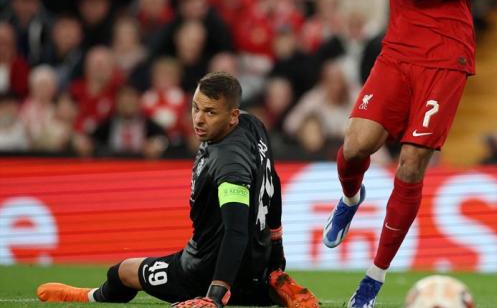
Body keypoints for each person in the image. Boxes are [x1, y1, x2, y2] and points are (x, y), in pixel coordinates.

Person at [241, 0, 497, 306]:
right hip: (397, 53)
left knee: (410, 165)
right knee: (355, 145)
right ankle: (350, 196)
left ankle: (374, 279)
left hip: (445, 57)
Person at [37, 72, 318, 308]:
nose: (198, 119)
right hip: (256, 268)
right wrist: (277, 256)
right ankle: (270, 287)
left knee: (123, 271)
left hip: (203, 270)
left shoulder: (228, 164)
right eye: (196, 107)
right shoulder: (254, 125)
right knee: (252, 283)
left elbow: (236, 231)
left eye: (210, 112)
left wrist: (215, 295)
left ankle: (88, 297)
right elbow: (274, 184)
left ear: (232, 116)